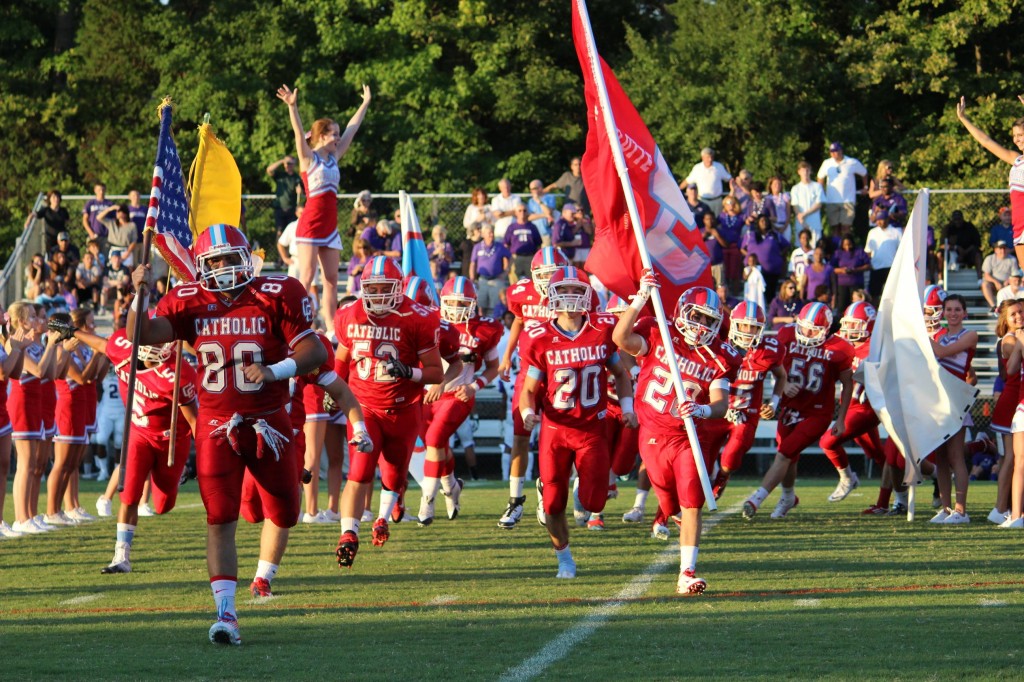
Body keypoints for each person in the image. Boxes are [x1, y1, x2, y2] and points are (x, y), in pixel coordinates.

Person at [128, 223, 327, 646]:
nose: (220, 268)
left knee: (286, 512)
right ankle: (226, 614)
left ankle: (264, 569)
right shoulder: (188, 299)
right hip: (216, 424)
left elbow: (315, 350)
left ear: (246, 259)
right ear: (200, 267)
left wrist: (276, 370)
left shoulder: (279, 291)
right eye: (212, 261)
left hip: (270, 422)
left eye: (227, 259)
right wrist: (138, 295)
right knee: (219, 518)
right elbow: (141, 335)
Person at [613, 283, 740, 594]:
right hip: (653, 435)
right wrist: (641, 298)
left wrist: (702, 409)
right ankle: (676, 525)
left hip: (686, 437)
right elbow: (620, 338)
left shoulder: (719, 356)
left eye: (710, 320)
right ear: (683, 312)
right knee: (670, 506)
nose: (703, 326)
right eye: (698, 316)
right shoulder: (660, 334)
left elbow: (721, 405)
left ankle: (687, 573)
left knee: (692, 502)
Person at [520, 267, 635, 578]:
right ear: (551, 295)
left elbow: (621, 374)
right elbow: (528, 390)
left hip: (591, 430)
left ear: (587, 295)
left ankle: (577, 492)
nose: (570, 297)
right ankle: (565, 560)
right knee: (553, 505)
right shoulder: (539, 337)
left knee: (593, 500)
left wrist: (627, 406)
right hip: (555, 431)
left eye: (576, 290)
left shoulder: (602, 329)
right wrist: (527, 413)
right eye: (564, 290)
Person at [332, 256, 443, 568]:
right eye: (372, 288)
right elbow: (341, 360)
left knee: (394, 476)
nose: (378, 295)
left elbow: (435, 372)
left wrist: (408, 371)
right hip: (363, 409)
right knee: (359, 472)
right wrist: (335, 388)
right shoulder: (350, 314)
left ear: (399, 288)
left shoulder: (417, 316)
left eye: (385, 288)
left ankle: (381, 518)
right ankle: (348, 534)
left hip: (404, 410)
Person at [73, 326, 197, 573]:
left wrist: (202, 457)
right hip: (138, 433)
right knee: (129, 495)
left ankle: (175, 475)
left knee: (163, 505)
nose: (162, 345)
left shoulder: (177, 374)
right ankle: (121, 557)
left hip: (169, 440)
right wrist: (74, 331)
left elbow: (194, 421)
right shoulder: (123, 349)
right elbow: (101, 344)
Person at [742, 303, 854, 520]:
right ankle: (788, 497)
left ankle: (756, 500)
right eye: (804, 327)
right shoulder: (786, 335)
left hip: (818, 413)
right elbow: (772, 367)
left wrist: (841, 419)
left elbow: (847, 384)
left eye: (813, 330)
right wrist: (782, 386)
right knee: (789, 457)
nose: (807, 333)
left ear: (826, 329)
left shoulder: (838, 349)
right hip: (790, 407)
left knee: (784, 453)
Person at [277, 83, 371, 339]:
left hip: (329, 226)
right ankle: (293, 325)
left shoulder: (334, 157)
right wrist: (292, 107)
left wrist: (364, 104)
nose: (338, 138)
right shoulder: (309, 158)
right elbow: (298, 133)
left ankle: (331, 329)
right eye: (333, 134)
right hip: (310, 224)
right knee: (306, 277)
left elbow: (353, 129)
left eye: (338, 134)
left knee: (331, 279)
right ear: (321, 136)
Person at [497, 247, 581, 529]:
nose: (548, 279)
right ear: (533, 275)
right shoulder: (521, 294)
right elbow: (519, 321)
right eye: (543, 274)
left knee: (558, 439)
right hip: (530, 372)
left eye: (552, 273)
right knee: (521, 435)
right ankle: (515, 499)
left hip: (561, 373)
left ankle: (548, 489)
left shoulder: (573, 291)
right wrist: (507, 355)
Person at [418, 277, 502, 526]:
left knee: (434, 440)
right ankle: (451, 486)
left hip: (458, 394)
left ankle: (427, 500)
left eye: (462, 302)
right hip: (426, 395)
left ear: (473, 303)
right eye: (451, 302)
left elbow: (494, 367)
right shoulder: (428, 319)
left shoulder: (483, 329)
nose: (455, 307)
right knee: (438, 446)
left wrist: (475, 386)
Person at [702, 300, 786, 501]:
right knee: (701, 459)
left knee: (729, 460)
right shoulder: (717, 345)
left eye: (754, 327)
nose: (748, 331)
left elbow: (781, 376)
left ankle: (722, 477)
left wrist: (774, 403)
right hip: (718, 411)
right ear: (734, 324)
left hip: (746, 414)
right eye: (744, 325)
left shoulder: (769, 350)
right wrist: (720, 406)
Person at [817, 302, 893, 510]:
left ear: (869, 326)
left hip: (865, 408)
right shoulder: (842, 342)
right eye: (847, 323)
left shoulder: (876, 349)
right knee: (880, 456)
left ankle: (847, 478)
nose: (849, 329)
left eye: (855, 324)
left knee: (827, 442)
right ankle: (890, 502)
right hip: (848, 406)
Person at [955, 95, 1024, 269]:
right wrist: (964, 119)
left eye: (1021, 135)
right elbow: (986, 142)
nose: (1016, 139)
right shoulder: (1016, 159)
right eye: (1014, 135)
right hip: (1019, 226)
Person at [928, 294, 978, 524]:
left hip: (955, 400)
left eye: (958, 309)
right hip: (938, 401)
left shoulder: (970, 335)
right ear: (943, 312)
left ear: (964, 313)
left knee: (956, 456)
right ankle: (946, 508)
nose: (953, 313)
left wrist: (920, 336)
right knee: (940, 458)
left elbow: (942, 354)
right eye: (949, 309)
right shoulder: (940, 336)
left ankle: (961, 510)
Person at [988, 300, 1024, 524]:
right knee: (1011, 459)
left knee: (1011, 459)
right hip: (1012, 401)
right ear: (1005, 319)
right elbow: (1011, 369)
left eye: (1021, 311)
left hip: (1015, 399)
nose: (1019, 316)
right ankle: (1001, 508)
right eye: (1013, 314)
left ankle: (1007, 507)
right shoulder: (1011, 339)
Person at [0, 315, 27, 537]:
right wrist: (16, 349)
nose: (5, 315)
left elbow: (15, 373)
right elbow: (1, 372)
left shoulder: (2, 339)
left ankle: (0, 522)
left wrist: (21, 349)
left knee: (4, 465)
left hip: (2, 410)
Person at [816, 142, 867, 236]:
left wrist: (865, 187)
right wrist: (821, 193)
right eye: (832, 151)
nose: (834, 153)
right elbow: (820, 177)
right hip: (831, 200)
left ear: (841, 150)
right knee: (835, 227)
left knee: (846, 227)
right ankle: (837, 249)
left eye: (836, 151)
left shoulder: (851, 162)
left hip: (848, 200)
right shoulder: (827, 163)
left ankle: (846, 248)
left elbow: (864, 173)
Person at [741, 214, 788, 299]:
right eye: (762, 221)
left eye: (766, 221)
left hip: (771, 271)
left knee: (770, 296)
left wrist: (780, 255)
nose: (764, 222)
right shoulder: (750, 235)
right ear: (757, 223)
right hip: (754, 271)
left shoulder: (775, 235)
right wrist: (749, 256)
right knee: (754, 296)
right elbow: (742, 249)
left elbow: (787, 245)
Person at [470, 225, 511, 317]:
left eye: (492, 232)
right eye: (489, 233)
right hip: (482, 280)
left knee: (495, 306)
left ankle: (494, 324)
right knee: (481, 305)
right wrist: (472, 279)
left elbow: (510, 257)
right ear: (483, 234)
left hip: (496, 280)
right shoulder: (477, 247)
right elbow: (473, 264)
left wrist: (506, 272)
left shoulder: (499, 246)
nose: (491, 235)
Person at [864, 210, 903, 299]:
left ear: (887, 219)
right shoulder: (872, 232)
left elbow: (901, 250)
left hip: (891, 267)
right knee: (874, 294)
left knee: (892, 294)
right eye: (877, 220)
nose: (879, 222)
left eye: (881, 219)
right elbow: (868, 251)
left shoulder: (896, 232)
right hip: (876, 267)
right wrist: (871, 264)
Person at [684, 147, 732, 217]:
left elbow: (729, 179)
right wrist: (677, 189)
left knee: (717, 221)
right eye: (708, 157)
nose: (710, 159)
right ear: (703, 157)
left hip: (717, 201)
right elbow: (687, 181)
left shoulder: (719, 167)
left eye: (711, 157)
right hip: (703, 201)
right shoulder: (697, 168)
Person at [831, 236, 871, 315]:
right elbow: (832, 268)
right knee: (842, 307)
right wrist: (842, 270)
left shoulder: (859, 252)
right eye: (845, 245)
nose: (847, 247)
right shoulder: (838, 253)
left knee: (857, 306)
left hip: (856, 284)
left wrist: (855, 269)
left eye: (849, 244)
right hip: (842, 285)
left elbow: (868, 265)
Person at [265, 155, 304, 236]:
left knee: (291, 232)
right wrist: (282, 161)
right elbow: (269, 170)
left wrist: (300, 191)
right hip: (280, 208)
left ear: (294, 164)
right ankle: (278, 248)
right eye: (286, 163)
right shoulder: (280, 175)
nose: (287, 165)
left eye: (290, 163)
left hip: (292, 209)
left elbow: (304, 191)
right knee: (279, 232)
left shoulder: (297, 177)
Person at [503, 206, 543, 283]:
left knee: (532, 281)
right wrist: (507, 261)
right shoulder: (511, 227)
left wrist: (537, 260)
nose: (522, 213)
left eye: (524, 210)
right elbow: (506, 244)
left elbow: (538, 245)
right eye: (520, 210)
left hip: (530, 257)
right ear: (516, 213)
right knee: (514, 282)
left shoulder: (532, 227)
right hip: (515, 257)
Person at [791, 162, 825, 246]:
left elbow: (819, 204)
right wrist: (801, 219)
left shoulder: (817, 186)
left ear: (810, 171)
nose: (805, 173)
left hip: (814, 223)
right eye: (803, 171)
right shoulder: (795, 188)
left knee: (815, 247)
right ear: (799, 172)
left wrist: (805, 214)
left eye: (807, 170)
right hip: (800, 224)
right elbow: (795, 206)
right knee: (800, 248)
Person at [26, 190, 70, 256]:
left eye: (57, 197)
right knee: (52, 256)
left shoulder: (63, 210)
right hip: (50, 239)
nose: (56, 199)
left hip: (61, 239)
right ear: (50, 199)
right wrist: (28, 221)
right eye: (54, 197)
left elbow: (68, 221)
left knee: (62, 256)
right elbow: (34, 214)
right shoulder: (46, 210)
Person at [942, 210, 982, 276]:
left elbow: (977, 244)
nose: (957, 221)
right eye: (955, 219)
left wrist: (964, 253)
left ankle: (980, 278)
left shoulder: (970, 227)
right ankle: (941, 278)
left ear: (962, 219)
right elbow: (942, 245)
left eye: (959, 219)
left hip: (968, 252)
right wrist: (956, 248)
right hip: (953, 254)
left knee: (977, 253)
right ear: (952, 220)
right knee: (940, 254)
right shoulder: (948, 228)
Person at [981, 240, 1018, 311]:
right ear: (995, 250)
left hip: (1007, 284)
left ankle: (1013, 305)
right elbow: (986, 275)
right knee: (985, 284)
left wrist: (1008, 281)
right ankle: (993, 306)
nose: (1003, 250)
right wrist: (996, 282)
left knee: (1018, 284)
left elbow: (1015, 274)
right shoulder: (989, 258)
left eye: (1004, 248)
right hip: (993, 284)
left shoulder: (1012, 259)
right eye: (1000, 248)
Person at [82, 183, 113, 253]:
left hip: (106, 237)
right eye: (99, 190)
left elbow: (114, 220)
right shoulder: (90, 203)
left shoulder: (110, 204)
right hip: (94, 236)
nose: (101, 192)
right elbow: (84, 220)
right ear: (95, 190)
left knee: (105, 258)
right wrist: (91, 233)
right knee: (92, 257)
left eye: (103, 190)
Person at [764, 176, 792, 241]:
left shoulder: (785, 196)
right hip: (772, 226)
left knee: (785, 245)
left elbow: (788, 213)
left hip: (784, 224)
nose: (777, 186)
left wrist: (784, 227)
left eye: (779, 184)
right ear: (770, 185)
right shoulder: (767, 198)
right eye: (775, 184)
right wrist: (773, 226)